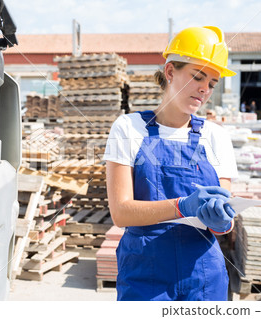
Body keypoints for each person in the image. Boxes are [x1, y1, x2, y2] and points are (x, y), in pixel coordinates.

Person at [103, 26, 239, 301]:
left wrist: (223, 223)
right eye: (197, 76)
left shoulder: (216, 137)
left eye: (212, 83)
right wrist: (182, 206)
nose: (205, 88)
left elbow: (226, 216)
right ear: (169, 72)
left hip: (203, 277)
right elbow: (121, 212)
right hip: (145, 276)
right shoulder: (129, 128)